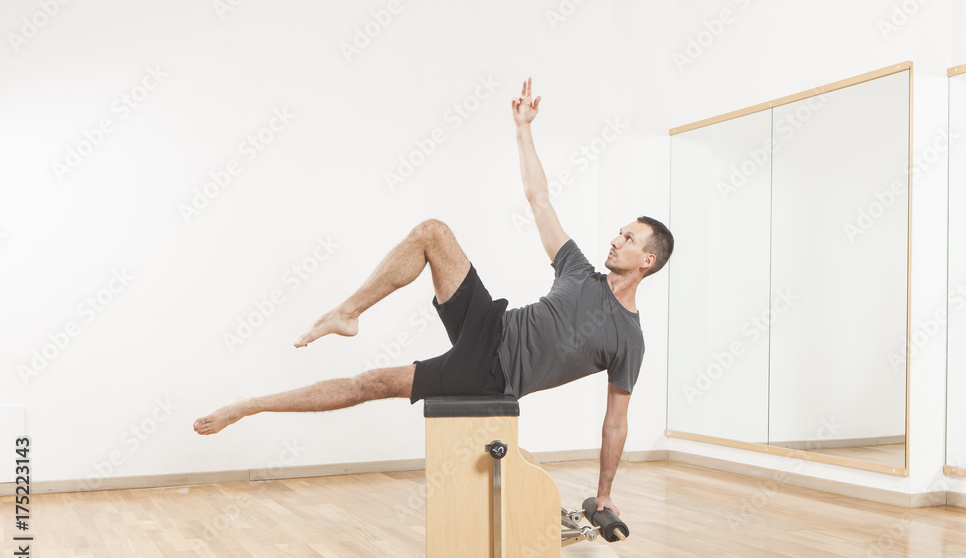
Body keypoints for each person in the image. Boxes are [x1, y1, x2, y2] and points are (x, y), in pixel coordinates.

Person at [193, 77, 674, 517]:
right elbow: (539, 198)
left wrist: (604, 493)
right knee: (433, 232)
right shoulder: (577, 270)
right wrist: (523, 128)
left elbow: (615, 423)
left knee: (371, 383)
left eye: (629, 239)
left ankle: (249, 405)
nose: (615, 240)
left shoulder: (628, 337)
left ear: (647, 261)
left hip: (492, 374)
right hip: (492, 325)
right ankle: (347, 312)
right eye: (619, 233)